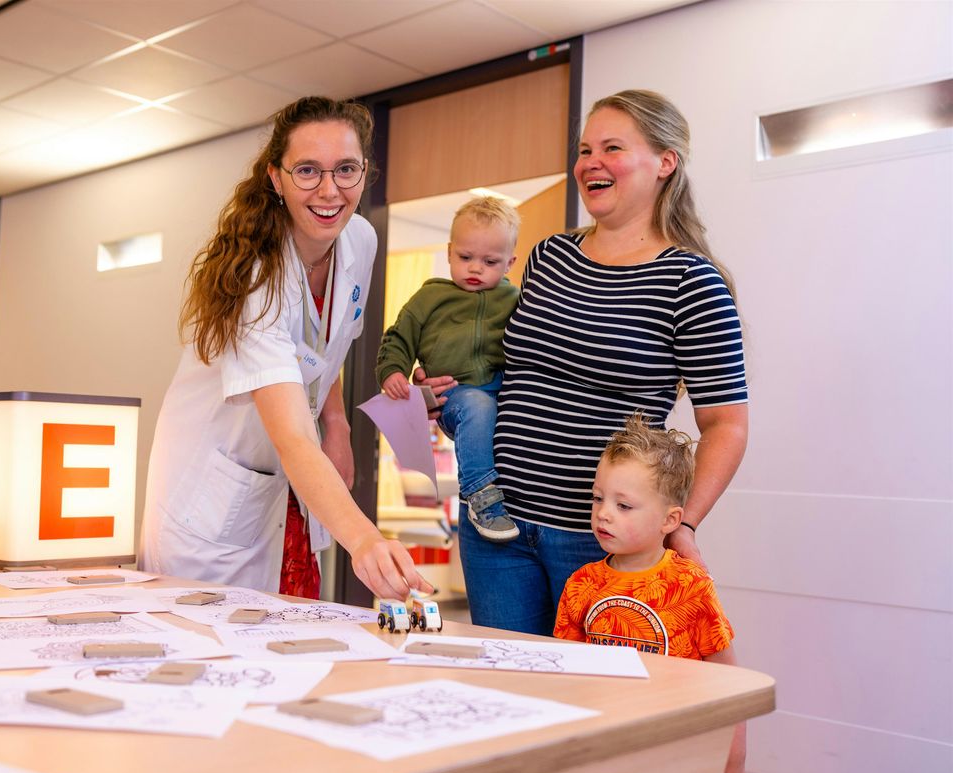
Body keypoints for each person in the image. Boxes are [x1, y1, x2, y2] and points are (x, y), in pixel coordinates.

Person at [416, 89, 748, 634]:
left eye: (612, 147)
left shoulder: (691, 281)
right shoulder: (549, 256)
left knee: (592, 704)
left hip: (599, 538)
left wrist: (681, 522)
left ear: (665, 163)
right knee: (510, 696)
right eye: (585, 149)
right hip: (496, 527)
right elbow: (512, 370)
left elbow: (727, 425)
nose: (590, 162)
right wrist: (444, 386)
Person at [138, 96, 430, 602]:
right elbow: (294, 436)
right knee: (209, 652)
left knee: (290, 644)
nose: (329, 190)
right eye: (308, 171)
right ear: (276, 177)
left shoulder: (359, 239)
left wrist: (336, 424)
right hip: (216, 491)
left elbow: (328, 345)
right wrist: (364, 538)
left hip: (289, 485)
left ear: (365, 172)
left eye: (346, 170)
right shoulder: (256, 279)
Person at [554, 412, 747, 773]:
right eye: (598, 498)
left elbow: (730, 685)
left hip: (679, 758)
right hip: (606, 760)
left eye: (624, 506)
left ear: (670, 519)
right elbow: (566, 680)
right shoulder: (581, 585)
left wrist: (734, 767)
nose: (603, 513)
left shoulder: (690, 586)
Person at [376, 197, 521, 540]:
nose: (475, 268)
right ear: (449, 251)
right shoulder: (430, 298)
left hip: (499, 389)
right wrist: (393, 372)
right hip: (455, 395)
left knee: (491, 412)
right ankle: (480, 496)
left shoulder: (515, 300)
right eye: (465, 257)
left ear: (509, 263)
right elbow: (397, 338)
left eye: (490, 261)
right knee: (477, 406)